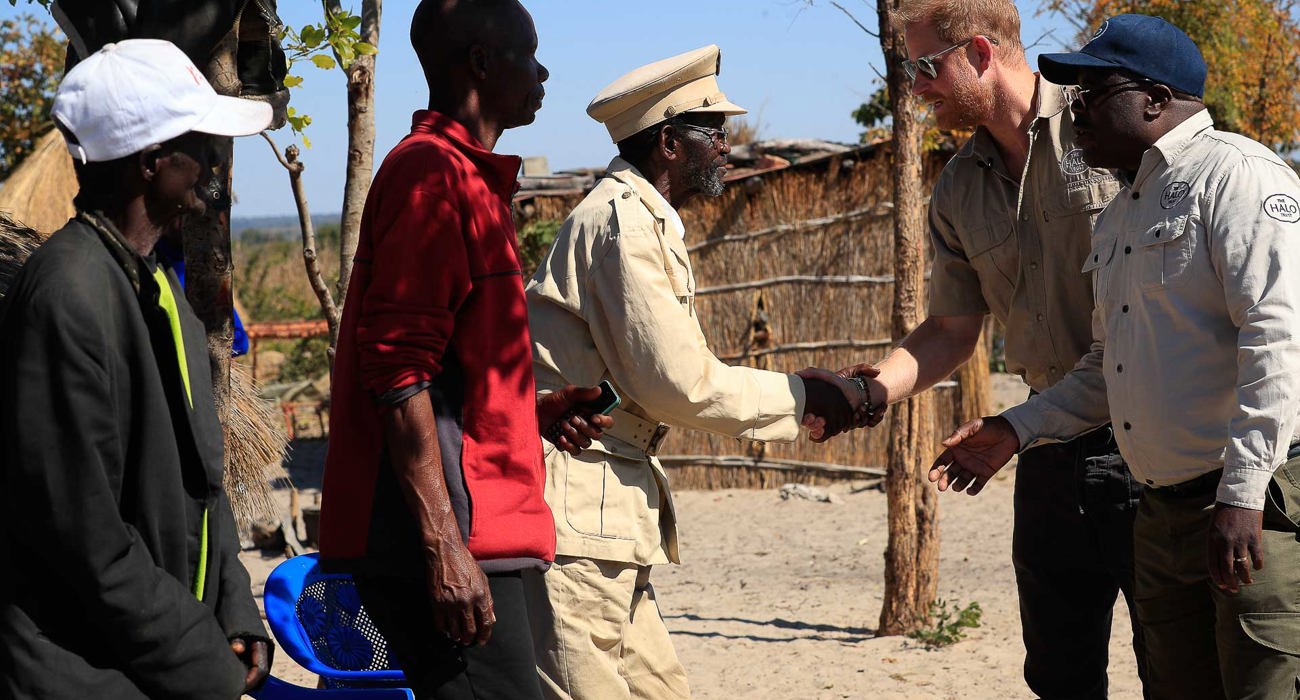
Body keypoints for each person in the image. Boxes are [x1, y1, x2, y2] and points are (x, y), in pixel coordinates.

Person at [929, 14, 1300, 700]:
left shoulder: (1240, 178)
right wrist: (1016, 429)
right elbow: (1108, 365)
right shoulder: (1126, 208)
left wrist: (1242, 495)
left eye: (1092, 95)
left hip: (1250, 505)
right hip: (1161, 512)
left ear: (1156, 99)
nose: (1077, 112)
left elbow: (1278, 345)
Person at [803, 2, 1147, 696]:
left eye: (926, 67)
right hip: (1040, 446)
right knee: (1059, 676)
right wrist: (871, 392)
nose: (915, 87)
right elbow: (952, 331)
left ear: (982, 54)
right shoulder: (958, 186)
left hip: (1151, 441)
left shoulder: (1109, 130)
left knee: (1180, 670)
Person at [522, 45, 864, 700]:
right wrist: (806, 397)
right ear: (669, 145)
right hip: (577, 524)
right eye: (714, 131)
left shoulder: (637, 219)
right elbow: (677, 385)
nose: (728, 146)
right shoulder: (622, 225)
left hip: (604, 520)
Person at [317, 2, 609, 698]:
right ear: (480, 63)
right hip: (452, 539)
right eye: (528, 54)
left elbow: (445, 375)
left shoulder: (469, 178)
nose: (543, 73)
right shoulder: (431, 178)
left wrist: (529, 412)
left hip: (487, 528)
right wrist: (443, 545)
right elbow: (395, 369)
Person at [0, 39, 274, 699]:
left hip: (154, 660)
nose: (215, 161)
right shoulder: (67, 295)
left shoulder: (155, 289)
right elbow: (85, 538)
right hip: (87, 675)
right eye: (199, 142)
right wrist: (203, 660)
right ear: (153, 164)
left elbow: (204, 485)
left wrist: (234, 610)